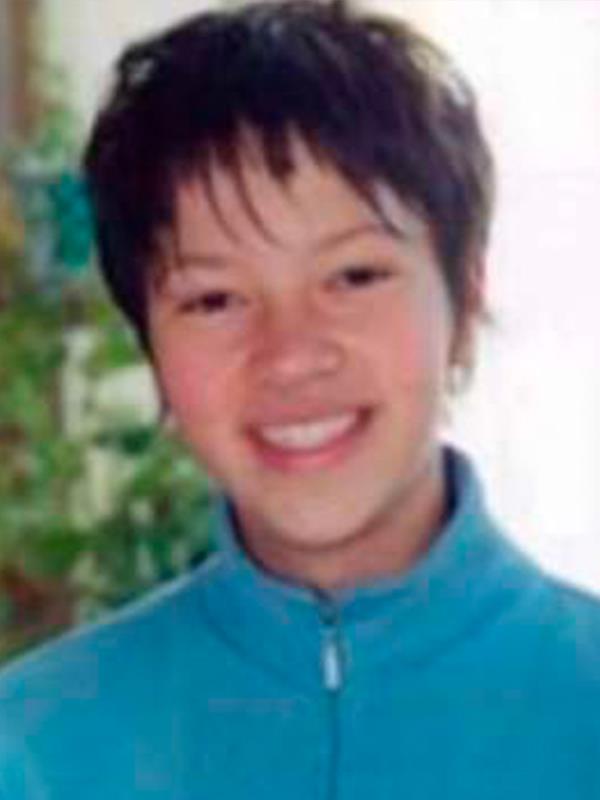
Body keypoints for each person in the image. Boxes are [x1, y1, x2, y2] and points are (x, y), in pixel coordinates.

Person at [1, 2, 599, 797]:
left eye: (354, 276)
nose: (289, 355)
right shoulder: (33, 748)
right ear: (150, 344)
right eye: (215, 299)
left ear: (465, 300)